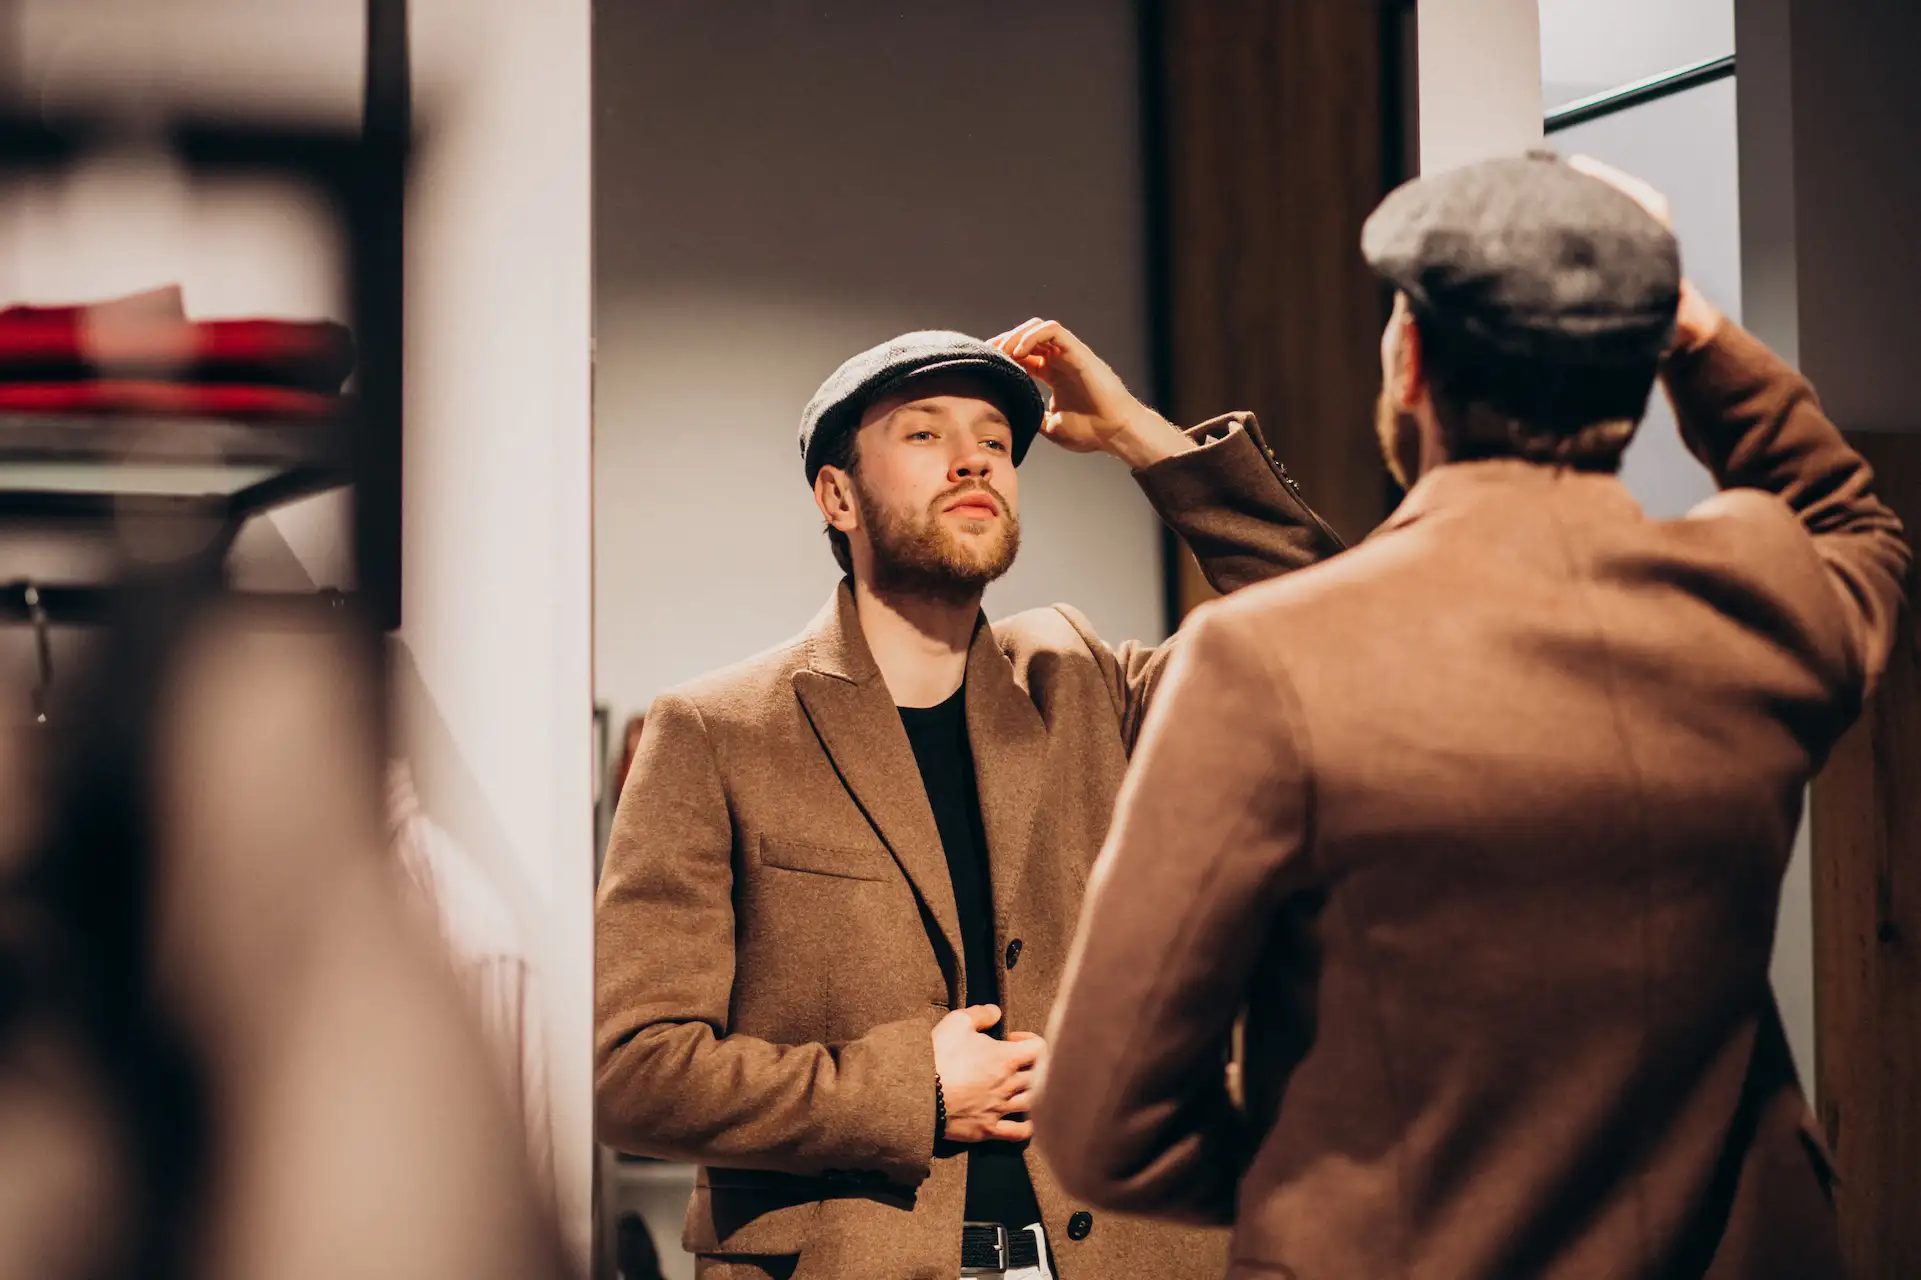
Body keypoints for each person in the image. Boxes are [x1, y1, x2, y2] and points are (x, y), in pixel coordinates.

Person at [1035, 153, 1910, 1279]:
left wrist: (1339, 1182)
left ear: (1412, 367)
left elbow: (1104, 1122)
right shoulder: (1760, 603)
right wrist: (1689, 329)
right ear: (1643, 370)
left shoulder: (1260, 660)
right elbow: (1853, 522)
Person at [594, 319, 1345, 1278]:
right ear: (837, 495)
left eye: (995, 441)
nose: (971, 462)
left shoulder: (1086, 684)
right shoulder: (720, 729)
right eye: (923, 434)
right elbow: (629, 1072)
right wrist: (909, 1090)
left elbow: (1328, 640)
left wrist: (1134, 433)